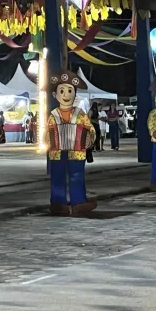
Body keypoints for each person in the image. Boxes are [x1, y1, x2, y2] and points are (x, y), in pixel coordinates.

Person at [46, 69, 97, 215]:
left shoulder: (80, 114)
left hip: (76, 151)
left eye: (70, 91)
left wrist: (88, 138)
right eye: (62, 91)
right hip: (57, 151)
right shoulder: (53, 115)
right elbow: (46, 133)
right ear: (55, 95)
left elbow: (90, 129)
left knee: (77, 175)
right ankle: (58, 203)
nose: (66, 95)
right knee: (57, 176)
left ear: (75, 94)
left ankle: (78, 202)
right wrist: (48, 139)